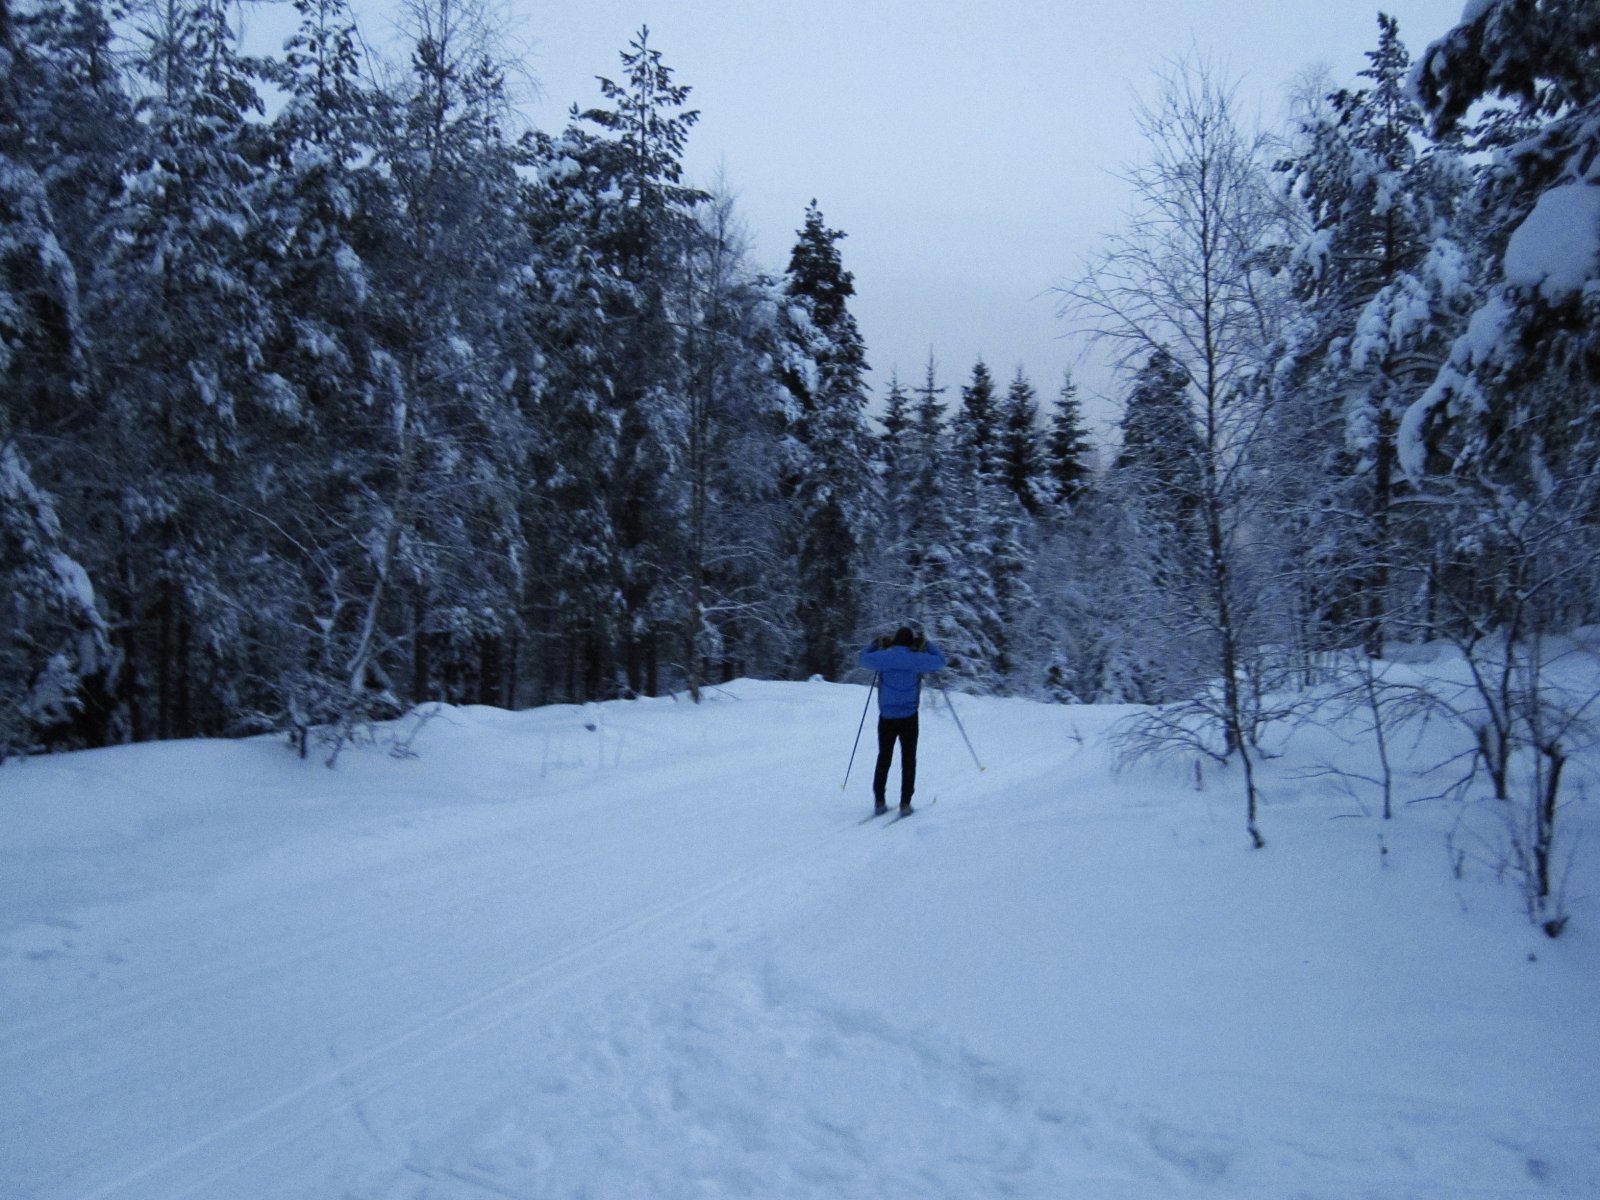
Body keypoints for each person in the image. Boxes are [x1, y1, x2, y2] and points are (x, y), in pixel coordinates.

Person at [858, 626, 947, 815]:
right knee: (908, 760)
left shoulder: (885, 658)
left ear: (895, 640)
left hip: (887, 717)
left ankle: (879, 801)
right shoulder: (916, 659)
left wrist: (875, 644)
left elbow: (863, 658)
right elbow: (941, 661)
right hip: (909, 717)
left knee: (884, 757)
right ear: (910, 642)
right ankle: (905, 803)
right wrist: (927, 644)